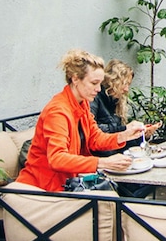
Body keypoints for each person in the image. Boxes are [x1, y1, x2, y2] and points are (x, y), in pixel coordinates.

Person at [17, 50, 155, 192]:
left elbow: (95, 138)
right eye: (94, 83)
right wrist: (103, 162)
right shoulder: (57, 111)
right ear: (75, 79)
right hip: (42, 188)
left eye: (100, 83)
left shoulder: (82, 104)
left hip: (68, 184)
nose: (98, 89)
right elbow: (57, 158)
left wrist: (125, 135)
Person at [91, 59, 142, 154]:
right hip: (100, 155)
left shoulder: (116, 100)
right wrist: (125, 128)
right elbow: (91, 130)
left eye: (129, 84)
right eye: (125, 84)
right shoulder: (94, 98)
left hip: (115, 153)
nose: (127, 89)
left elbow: (120, 137)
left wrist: (141, 135)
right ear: (114, 81)